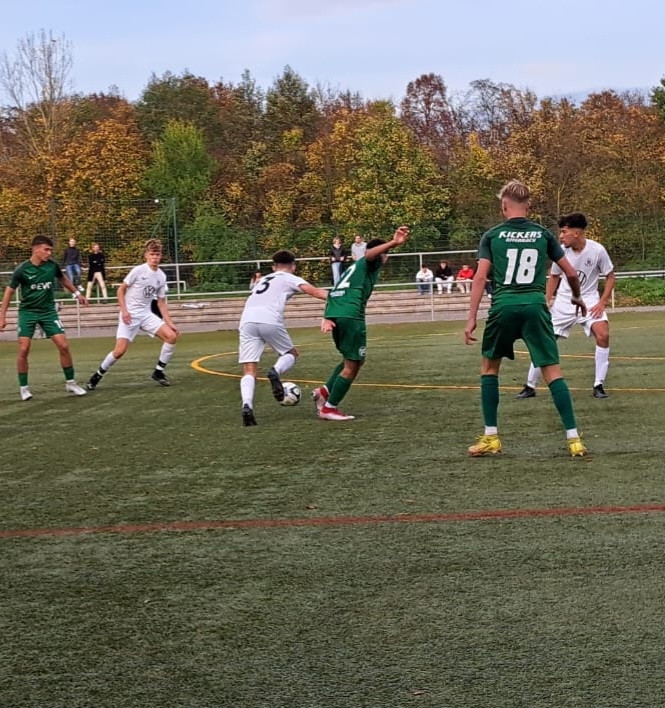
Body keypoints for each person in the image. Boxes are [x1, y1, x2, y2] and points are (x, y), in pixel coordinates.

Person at [464, 180, 588, 458]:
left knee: (489, 369)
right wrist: (578, 298)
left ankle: (491, 437)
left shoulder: (492, 236)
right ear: (528, 206)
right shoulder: (542, 234)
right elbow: (569, 273)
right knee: (552, 372)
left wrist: (471, 317)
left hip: (503, 307)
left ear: (503, 206)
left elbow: (480, 277)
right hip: (535, 306)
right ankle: (574, 439)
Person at [312, 225, 410, 421]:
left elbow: (335, 293)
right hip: (351, 316)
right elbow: (369, 254)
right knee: (353, 365)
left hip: (340, 313)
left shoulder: (353, 269)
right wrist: (393, 242)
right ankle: (329, 408)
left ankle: (325, 391)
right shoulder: (367, 263)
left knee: (354, 359)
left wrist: (329, 316)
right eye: (386, 253)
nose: (387, 258)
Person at [516, 212, 615, 400]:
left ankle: (598, 385)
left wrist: (602, 302)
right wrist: (546, 300)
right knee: (545, 341)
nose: (560, 236)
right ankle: (530, 386)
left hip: (588, 301)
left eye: (564, 232)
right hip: (563, 302)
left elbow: (610, 276)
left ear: (576, 233)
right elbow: (554, 276)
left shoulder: (597, 250)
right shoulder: (560, 252)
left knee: (603, 334)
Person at [238, 250, 329, 426]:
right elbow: (315, 292)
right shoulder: (289, 278)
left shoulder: (263, 279)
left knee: (249, 369)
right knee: (291, 353)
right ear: (293, 266)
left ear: (274, 267)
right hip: (269, 319)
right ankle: (276, 371)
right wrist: (340, 297)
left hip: (246, 320)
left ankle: (247, 406)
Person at [0, 235, 89, 400]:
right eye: (46, 250)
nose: (49, 253)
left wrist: (77, 294)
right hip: (28, 312)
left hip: (48, 311)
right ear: (35, 249)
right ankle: (24, 388)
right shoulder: (22, 269)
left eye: (50, 250)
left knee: (63, 345)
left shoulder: (52, 266)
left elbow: (63, 279)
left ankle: (70, 383)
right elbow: (9, 293)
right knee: (24, 349)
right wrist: (2, 316)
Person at [87, 239, 179, 391]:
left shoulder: (161, 276)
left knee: (171, 336)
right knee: (119, 351)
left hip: (146, 314)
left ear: (161, 256)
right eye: (152, 254)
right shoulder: (138, 270)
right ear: (146, 255)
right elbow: (120, 290)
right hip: (130, 315)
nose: (155, 257)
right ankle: (97, 375)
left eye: (157, 254)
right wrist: (124, 311)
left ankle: (158, 372)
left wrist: (170, 323)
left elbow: (161, 302)